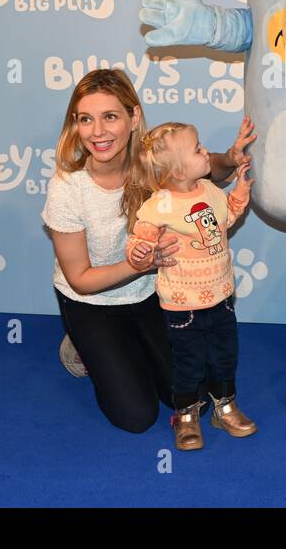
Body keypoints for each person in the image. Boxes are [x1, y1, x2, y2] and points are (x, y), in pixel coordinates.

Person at [41, 68, 254, 433]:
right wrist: (143, 263)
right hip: (90, 302)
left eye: (110, 116)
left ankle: (128, 345)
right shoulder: (67, 188)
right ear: (75, 125)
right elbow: (80, 279)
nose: (98, 132)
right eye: (85, 119)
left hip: (151, 296)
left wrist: (232, 159)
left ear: (133, 116)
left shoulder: (155, 167)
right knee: (136, 416)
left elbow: (207, 169)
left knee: (192, 399)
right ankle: (78, 347)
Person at [125, 123, 255, 450]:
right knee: (189, 362)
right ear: (178, 169)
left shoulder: (210, 191)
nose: (205, 151)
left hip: (222, 296)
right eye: (198, 149)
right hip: (182, 305)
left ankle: (224, 407)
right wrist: (139, 250)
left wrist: (239, 191)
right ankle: (186, 415)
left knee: (225, 356)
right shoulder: (160, 205)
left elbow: (226, 220)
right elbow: (140, 238)